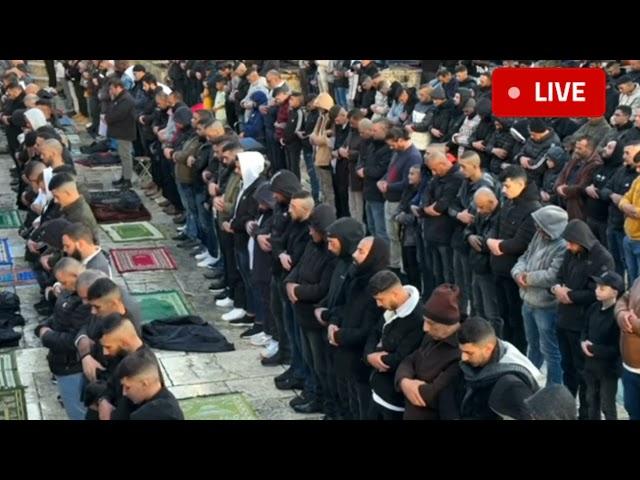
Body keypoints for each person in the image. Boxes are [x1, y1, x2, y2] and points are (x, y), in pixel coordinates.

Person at [552, 219, 615, 419]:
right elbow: (559, 275)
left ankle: (586, 414)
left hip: (582, 323)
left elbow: (597, 292)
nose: (568, 246)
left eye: (571, 242)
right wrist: (557, 289)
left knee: (584, 374)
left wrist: (570, 296)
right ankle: (566, 408)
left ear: (581, 239)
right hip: (564, 319)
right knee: (568, 369)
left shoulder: (602, 258)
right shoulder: (571, 252)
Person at [486, 165, 541, 353]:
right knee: (504, 315)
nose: (503, 190)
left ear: (520, 184)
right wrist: (492, 241)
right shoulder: (509, 202)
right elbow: (496, 223)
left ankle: (517, 352)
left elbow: (523, 241)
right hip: (499, 268)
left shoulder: (533, 208)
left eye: (507, 186)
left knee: (516, 318)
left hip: (515, 272)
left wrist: (499, 246)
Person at [511, 205, 568, 385]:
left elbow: (552, 275)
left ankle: (554, 389)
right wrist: (517, 273)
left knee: (550, 350)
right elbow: (525, 257)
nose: (537, 229)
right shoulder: (538, 236)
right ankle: (530, 381)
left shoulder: (562, 246)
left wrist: (527, 278)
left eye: (540, 226)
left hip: (546, 307)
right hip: (527, 300)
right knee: (532, 345)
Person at [395, 284, 462, 420]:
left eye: (431, 323)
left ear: (448, 324)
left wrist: (407, 384)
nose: (425, 328)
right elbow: (409, 360)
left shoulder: (462, 352)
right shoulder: (432, 335)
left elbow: (433, 393)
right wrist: (404, 382)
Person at [456, 316, 544, 420]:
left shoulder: (512, 384)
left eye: (469, 353)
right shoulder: (486, 352)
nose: (463, 358)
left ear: (488, 349)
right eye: (462, 351)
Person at [364, 270, 424, 420]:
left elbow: (401, 357)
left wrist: (379, 359)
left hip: (393, 399)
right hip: (378, 391)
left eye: (380, 299)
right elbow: (375, 332)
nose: (378, 304)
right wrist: (370, 355)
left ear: (395, 294)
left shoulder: (417, 319)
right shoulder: (392, 307)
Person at [582, 271, 623, 420]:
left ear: (615, 292)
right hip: (590, 365)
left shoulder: (617, 315)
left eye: (602, 288)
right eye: (597, 286)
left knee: (607, 405)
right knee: (591, 401)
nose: (597, 290)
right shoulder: (593, 308)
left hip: (608, 369)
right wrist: (583, 342)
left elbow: (616, 349)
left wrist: (592, 349)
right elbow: (584, 329)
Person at [116, 349, 184, 420]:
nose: (124, 393)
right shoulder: (166, 399)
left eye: (128, 387)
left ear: (144, 384)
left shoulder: (153, 414)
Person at [614, 275, 640, 420]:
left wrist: (632, 322)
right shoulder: (638, 280)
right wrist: (621, 314)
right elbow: (623, 298)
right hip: (630, 367)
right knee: (632, 410)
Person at [105, 78, 136, 189]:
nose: (111, 91)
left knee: (126, 156)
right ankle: (124, 177)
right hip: (120, 132)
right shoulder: (120, 98)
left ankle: (127, 180)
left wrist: (108, 118)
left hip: (125, 132)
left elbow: (117, 114)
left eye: (112, 89)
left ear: (119, 87)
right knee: (123, 156)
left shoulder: (126, 100)